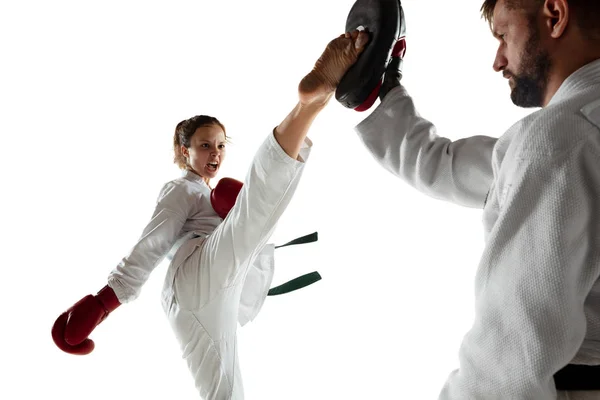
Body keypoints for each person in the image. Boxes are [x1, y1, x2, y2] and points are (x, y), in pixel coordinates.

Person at [52, 30, 369, 399]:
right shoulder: (182, 189)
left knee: (226, 394)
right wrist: (103, 302)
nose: (215, 153)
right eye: (204, 145)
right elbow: (152, 244)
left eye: (220, 145)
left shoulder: (208, 194)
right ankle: (310, 104)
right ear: (184, 151)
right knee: (255, 210)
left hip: (210, 297)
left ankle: (313, 103)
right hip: (198, 275)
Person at [351, 0, 600, 398]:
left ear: (554, 15)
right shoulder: (573, 130)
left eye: (504, 35)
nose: (498, 61)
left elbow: (508, 355)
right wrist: (383, 88)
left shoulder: (560, 139)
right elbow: (450, 167)